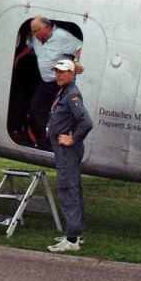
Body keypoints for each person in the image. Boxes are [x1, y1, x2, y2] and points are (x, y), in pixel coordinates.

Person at [13, 16, 83, 150]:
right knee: (36, 107)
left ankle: (60, 141)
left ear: (48, 28)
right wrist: (18, 58)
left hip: (61, 84)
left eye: (37, 32)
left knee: (62, 113)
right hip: (45, 82)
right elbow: (30, 46)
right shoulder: (37, 39)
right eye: (32, 33)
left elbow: (79, 46)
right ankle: (46, 137)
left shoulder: (62, 36)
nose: (35, 35)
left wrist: (76, 61)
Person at [46, 60, 93, 253]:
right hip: (65, 152)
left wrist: (72, 139)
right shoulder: (64, 91)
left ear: (72, 74)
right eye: (57, 71)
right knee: (73, 188)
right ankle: (77, 234)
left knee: (67, 190)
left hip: (67, 152)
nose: (58, 75)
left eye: (63, 72)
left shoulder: (72, 95)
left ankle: (72, 239)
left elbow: (86, 122)